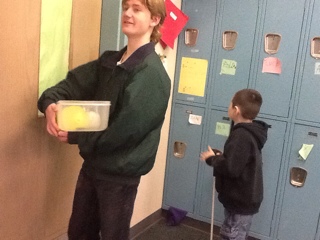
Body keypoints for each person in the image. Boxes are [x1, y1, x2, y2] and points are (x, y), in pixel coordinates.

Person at [37, 0, 171, 239]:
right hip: (92, 168)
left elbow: (125, 130)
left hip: (119, 176)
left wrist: (77, 136)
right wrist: (49, 103)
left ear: (155, 19)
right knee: (79, 233)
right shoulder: (110, 62)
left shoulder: (151, 74)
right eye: (126, 7)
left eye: (137, 9)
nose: (128, 13)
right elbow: (71, 85)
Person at [200, 89, 269, 240]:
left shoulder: (241, 135)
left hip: (240, 201)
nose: (228, 106)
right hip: (244, 200)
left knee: (231, 235)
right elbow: (238, 161)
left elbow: (231, 168)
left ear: (236, 110)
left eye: (230, 103)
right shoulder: (250, 132)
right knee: (237, 234)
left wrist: (211, 159)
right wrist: (221, 157)